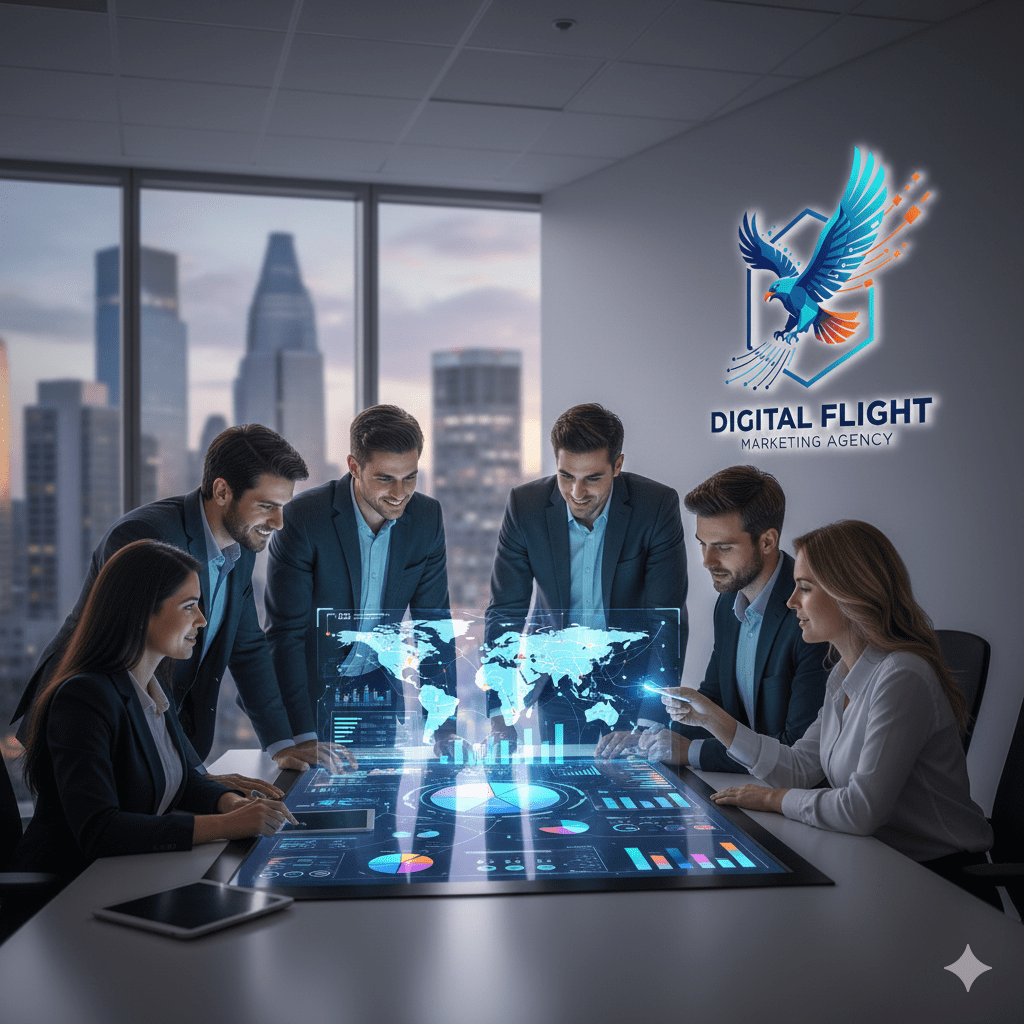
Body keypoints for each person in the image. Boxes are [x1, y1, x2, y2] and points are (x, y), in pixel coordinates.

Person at [663, 520, 996, 905]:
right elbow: (801, 768)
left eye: (804, 587)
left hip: (943, 884)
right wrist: (710, 719)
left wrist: (772, 799)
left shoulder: (903, 674)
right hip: (882, 865)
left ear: (850, 593)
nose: (791, 602)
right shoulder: (843, 672)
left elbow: (860, 810)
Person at [13, 424, 328, 795]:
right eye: (266, 506)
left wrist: (282, 745)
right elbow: (136, 664)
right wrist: (194, 776)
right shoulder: (145, 537)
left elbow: (246, 648)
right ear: (223, 491)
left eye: (282, 507)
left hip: (153, 740)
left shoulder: (238, 548)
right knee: (92, 843)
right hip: (90, 727)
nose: (278, 523)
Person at [12, 540, 297, 884]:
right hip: (64, 894)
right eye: (189, 606)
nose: (202, 620)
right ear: (142, 611)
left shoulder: (150, 685)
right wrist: (226, 826)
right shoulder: (83, 697)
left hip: (126, 877)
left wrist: (229, 803)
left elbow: (179, 778)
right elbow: (100, 829)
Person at [487, 403, 688, 749]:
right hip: (557, 686)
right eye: (567, 476)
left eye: (593, 478)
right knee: (557, 794)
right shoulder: (526, 506)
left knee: (633, 795)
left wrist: (649, 722)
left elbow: (666, 619)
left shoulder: (655, 506)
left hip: (633, 685)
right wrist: (499, 710)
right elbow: (505, 611)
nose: (577, 493)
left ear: (618, 466)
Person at [266, 405, 455, 750]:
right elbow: (285, 634)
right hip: (309, 699)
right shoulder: (305, 518)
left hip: (377, 697)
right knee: (311, 801)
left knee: (379, 799)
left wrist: (442, 726)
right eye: (385, 478)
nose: (400, 493)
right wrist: (301, 734)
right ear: (354, 466)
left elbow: (434, 628)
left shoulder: (427, 517)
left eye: (410, 477)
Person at [641, 465, 829, 768]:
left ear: (767, 541)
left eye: (723, 548)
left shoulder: (810, 613)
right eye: (703, 544)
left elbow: (796, 750)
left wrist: (692, 752)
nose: (707, 561)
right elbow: (713, 700)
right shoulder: (728, 602)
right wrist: (649, 736)